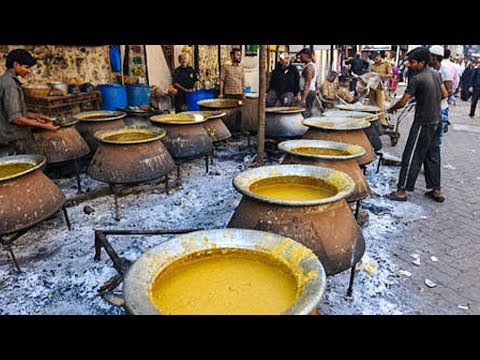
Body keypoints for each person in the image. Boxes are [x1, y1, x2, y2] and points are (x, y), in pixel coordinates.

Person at [386, 46, 448, 203]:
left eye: (412, 62)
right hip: (437, 120)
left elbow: (402, 101)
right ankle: (436, 190)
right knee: (432, 154)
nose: (409, 64)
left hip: (423, 122)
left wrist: (391, 108)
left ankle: (401, 191)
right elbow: (445, 94)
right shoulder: (435, 73)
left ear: (422, 62)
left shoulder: (416, 78)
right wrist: (424, 98)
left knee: (412, 154)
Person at [0, 49, 59, 156]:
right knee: (33, 163)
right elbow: (16, 118)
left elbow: (12, 110)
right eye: (26, 67)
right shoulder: (10, 85)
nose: (29, 71)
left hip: (10, 136)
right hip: (14, 137)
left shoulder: (5, 80)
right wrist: (43, 126)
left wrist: (35, 116)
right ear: (16, 64)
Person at [429, 45, 451, 144]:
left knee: (437, 139)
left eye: (430, 56)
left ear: (434, 57)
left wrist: (435, 97)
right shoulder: (431, 69)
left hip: (441, 108)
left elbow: (449, 90)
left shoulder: (445, 70)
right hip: (431, 108)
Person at [369, 51, 392, 127]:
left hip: (380, 87)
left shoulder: (386, 64)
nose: (374, 60)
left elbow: (391, 75)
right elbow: (370, 74)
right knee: (372, 104)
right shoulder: (373, 65)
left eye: (375, 58)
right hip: (372, 86)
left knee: (380, 105)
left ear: (379, 56)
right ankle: (374, 120)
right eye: (373, 59)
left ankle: (382, 121)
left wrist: (383, 75)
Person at [297, 48, 318, 118]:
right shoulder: (309, 65)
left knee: (305, 112)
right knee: (307, 111)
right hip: (308, 92)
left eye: (301, 56)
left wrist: (303, 98)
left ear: (306, 56)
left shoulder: (309, 67)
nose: (300, 58)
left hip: (308, 93)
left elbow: (307, 84)